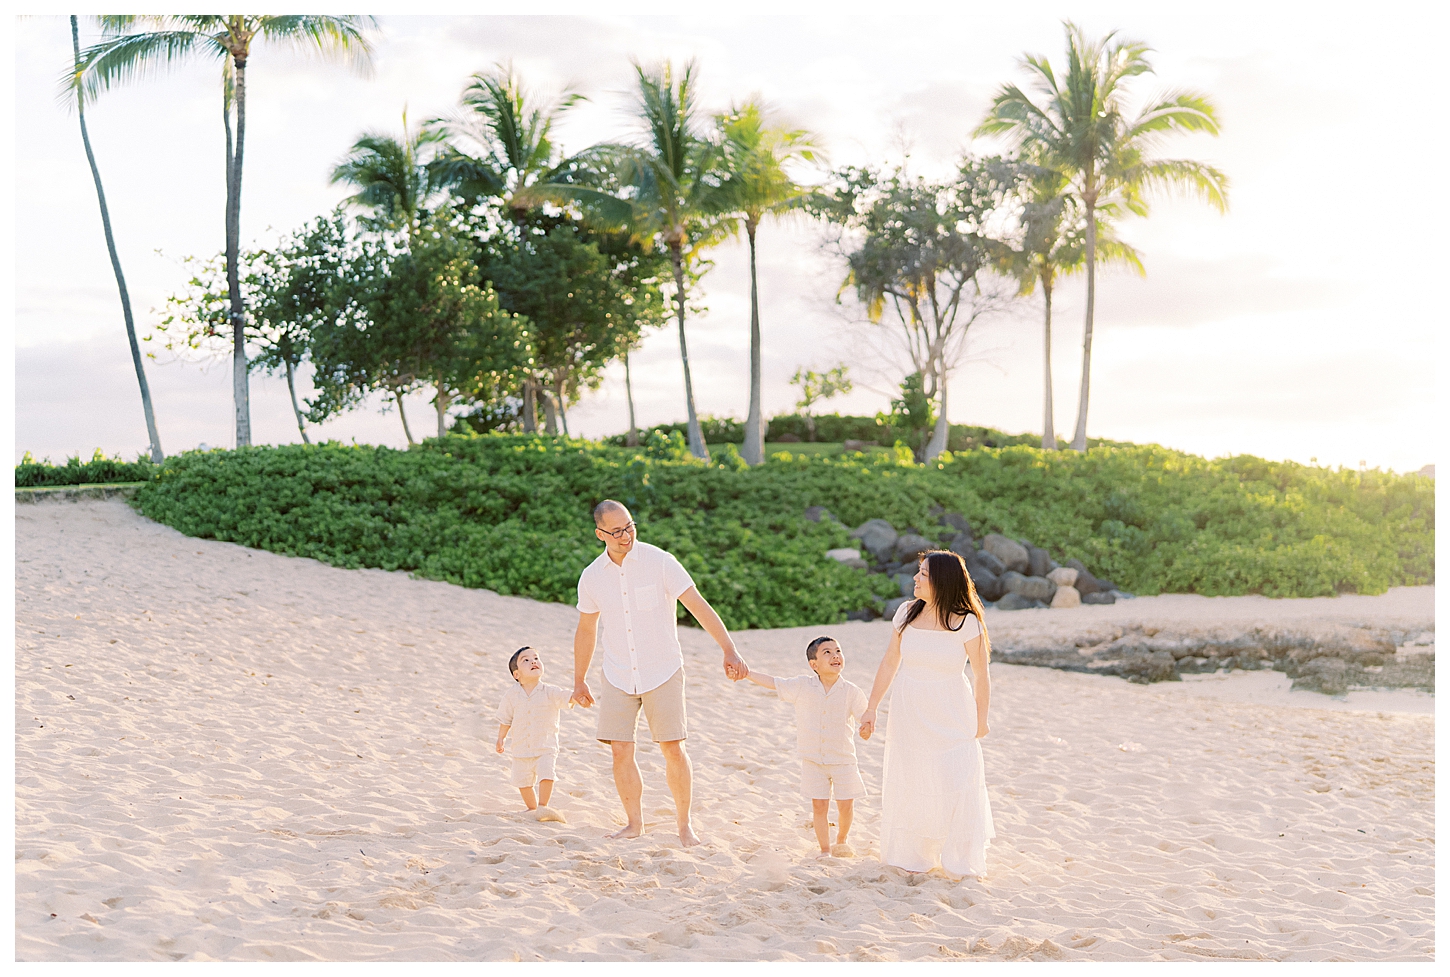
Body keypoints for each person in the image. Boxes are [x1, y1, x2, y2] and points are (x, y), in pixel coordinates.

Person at [572, 500, 749, 846]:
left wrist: (729, 649)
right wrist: (579, 679)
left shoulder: (661, 561)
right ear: (600, 534)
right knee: (620, 750)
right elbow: (586, 630)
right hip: (618, 673)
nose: (626, 535)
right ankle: (634, 823)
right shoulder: (592, 577)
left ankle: (684, 826)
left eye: (629, 526)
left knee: (672, 748)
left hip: (663, 670)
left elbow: (697, 605)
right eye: (616, 531)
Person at [859, 550, 995, 878]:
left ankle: (959, 858)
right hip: (910, 709)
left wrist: (982, 719)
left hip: (952, 711)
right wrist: (871, 707)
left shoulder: (966, 622)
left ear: (942, 581)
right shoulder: (906, 613)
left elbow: (981, 675)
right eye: (918, 571)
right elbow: (890, 662)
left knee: (956, 777)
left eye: (923, 574)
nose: (915, 578)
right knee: (914, 777)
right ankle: (914, 856)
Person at [743, 635, 869, 858]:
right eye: (827, 652)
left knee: (845, 806)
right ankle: (825, 849)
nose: (835, 656)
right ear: (814, 664)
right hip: (813, 760)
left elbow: (864, 717)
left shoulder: (852, 691)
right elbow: (774, 682)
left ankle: (842, 839)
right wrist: (747, 673)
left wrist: (866, 728)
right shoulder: (802, 686)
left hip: (843, 759)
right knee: (819, 806)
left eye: (838, 651)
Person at [495, 646, 572, 820]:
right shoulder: (512, 695)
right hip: (520, 747)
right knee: (522, 781)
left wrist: (577, 697)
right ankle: (532, 808)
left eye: (536, 658)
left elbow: (565, 696)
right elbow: (506, 718)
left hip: (545, 746)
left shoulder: (550, 691)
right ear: (516, 674)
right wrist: (501, 738)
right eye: (526, 660)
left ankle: (543, 806)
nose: (533, 662)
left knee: (546, 774)